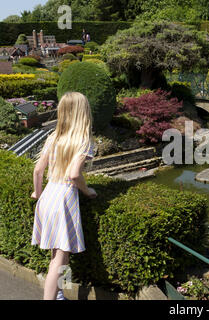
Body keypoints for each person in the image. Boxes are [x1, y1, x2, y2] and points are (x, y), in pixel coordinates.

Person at [31, 92, 97, 300]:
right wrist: (88, 191)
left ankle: (59, 294)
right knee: (59, 258)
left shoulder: (54, 137)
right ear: (83, 113)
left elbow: (38, 171)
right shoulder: (83, 140)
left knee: (59, 254)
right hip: (64, 199)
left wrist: (37, 193)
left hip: (48, 195)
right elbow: (74, 174)